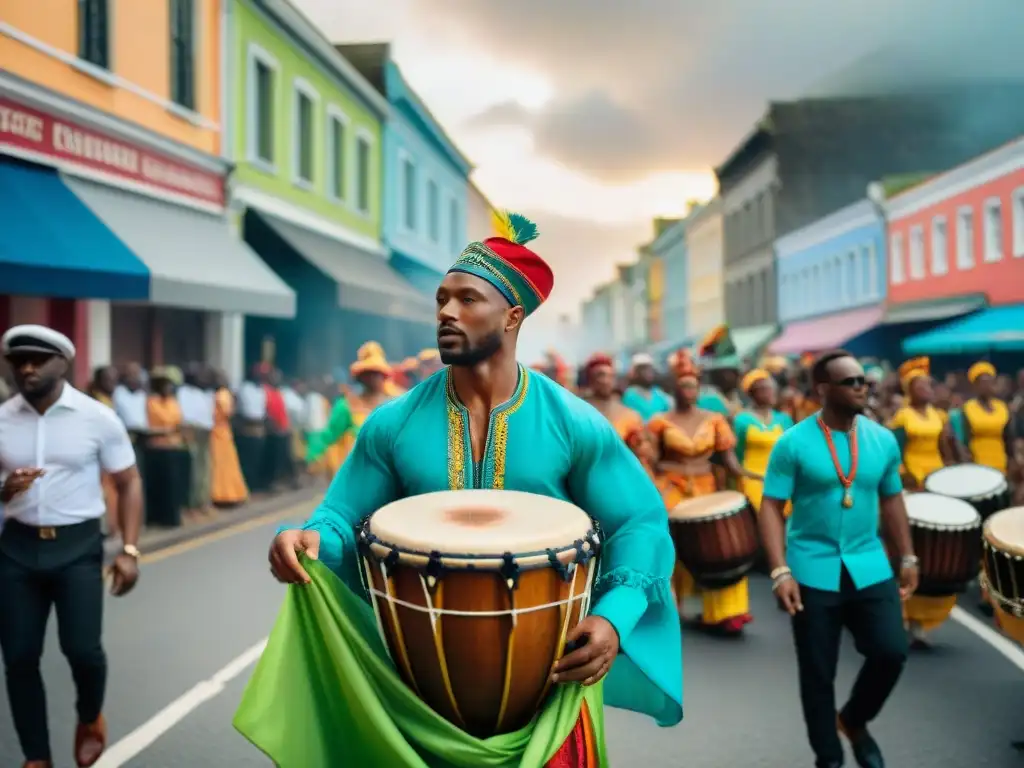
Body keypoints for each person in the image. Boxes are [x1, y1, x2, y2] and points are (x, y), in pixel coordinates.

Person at [242, 211, 682, 765]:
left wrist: (614, 618)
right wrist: (307, 539)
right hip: (417, 692)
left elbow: (638, 521)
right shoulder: (392, 422)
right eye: (441, 299)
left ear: (512, 316)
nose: (446, 312)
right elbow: (339, 517)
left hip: (549, 686)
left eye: (468, 299)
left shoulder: (573, 421)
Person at [759, 349, 917, 768]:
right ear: (822, 389)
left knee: (891, 652)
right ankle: (828, 757)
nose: (861, 387)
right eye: (850, 382)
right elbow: (772, 507)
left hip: (869, 564)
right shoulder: (792, 443)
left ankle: (854, 720)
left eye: (863, 380)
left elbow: (892, 499)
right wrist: (780, 571)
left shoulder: (882, 440)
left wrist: (908, 557)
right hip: (812, 568)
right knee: (817, 671)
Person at [0, 325, 142, 768]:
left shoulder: (96, 417)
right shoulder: (2, 418)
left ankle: (88, 716)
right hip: (17, 548)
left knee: (83, 651)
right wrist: (5, 491)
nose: (27, 368)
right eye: (18, 359)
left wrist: (130, 550)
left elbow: (128, 480)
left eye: (38, 359)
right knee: (19, 657)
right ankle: (36, 756)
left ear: (64, 364)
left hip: (78, 546)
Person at [648, 349, 759, 634]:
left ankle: (725, 612)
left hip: (707, 486)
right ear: (674, 389)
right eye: (684, 386)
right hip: (671, 487)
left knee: (717, 543)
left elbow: (729, 460)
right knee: (672, 545)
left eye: (694, 386)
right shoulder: (659, 421)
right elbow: (649, 460)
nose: (690, 391)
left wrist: (751, 476)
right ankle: (671, 606)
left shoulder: (715, 419)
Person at [887, 357, 956, 647]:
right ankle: (897, 613)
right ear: (909, 390)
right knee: (907, 549)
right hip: (911, 485)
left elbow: (947, 450)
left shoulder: (941, 416)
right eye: (920, 385)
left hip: (936, 484)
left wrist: (952, 479)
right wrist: (907, 479)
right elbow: (894, 455)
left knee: (933, 552)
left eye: (929, 385)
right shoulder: (902, 417)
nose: (927, 389)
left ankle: (921, 618)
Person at [305, 352, 395, 473]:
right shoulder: (347, 405)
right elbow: (330, 434)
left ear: (384, 376)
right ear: (361, 377)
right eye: (369, 374)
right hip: (359, 470)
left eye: (377, 374)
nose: (374, 378)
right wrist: (314, 456)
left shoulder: (393, 403)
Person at [733, 368, 794, 516]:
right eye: (764, 389)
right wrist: (746, 476)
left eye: (772, 388)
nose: (770, 392)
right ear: (753, 393)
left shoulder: (783, 419)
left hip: (781, 477)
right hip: (752, 479)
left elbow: (791, 452)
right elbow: (737, 454)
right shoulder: (742, 420)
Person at [949, 361, 1012, 474]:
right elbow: (963, 438)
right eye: (982, 382)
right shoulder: (968, 408)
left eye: (989, 382)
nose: (986, 386)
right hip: (977, 461)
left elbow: (1008, 437)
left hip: (1000, 459)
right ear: (975, 385)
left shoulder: (1002, 407)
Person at [178, 363, 215, 519]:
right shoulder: (182, 392)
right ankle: (191, 505)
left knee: (204, 469)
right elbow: (184, 416)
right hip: (191, 432)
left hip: (205, 433)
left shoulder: (202, 393)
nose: (201, 378)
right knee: (193, 470)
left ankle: (203, 502)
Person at [209, 370, 249, 508]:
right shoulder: (221, 394)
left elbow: (226, 412)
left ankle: (226, 495)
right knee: (220, 464)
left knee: (223, 464)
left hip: (220, 432)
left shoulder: (222, 395)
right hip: (219, 432)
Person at [582, 353, 643, 440]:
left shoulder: (630, 415)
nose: (606, 381)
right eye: (601, 375)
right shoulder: (579, 411)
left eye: (611, 376)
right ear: (590, 379)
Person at [621, 352, 673, 422]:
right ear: (636, 373)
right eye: (644, 370)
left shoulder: (658, 392)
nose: (648, 373)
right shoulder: (630, 395)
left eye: (650, 369)